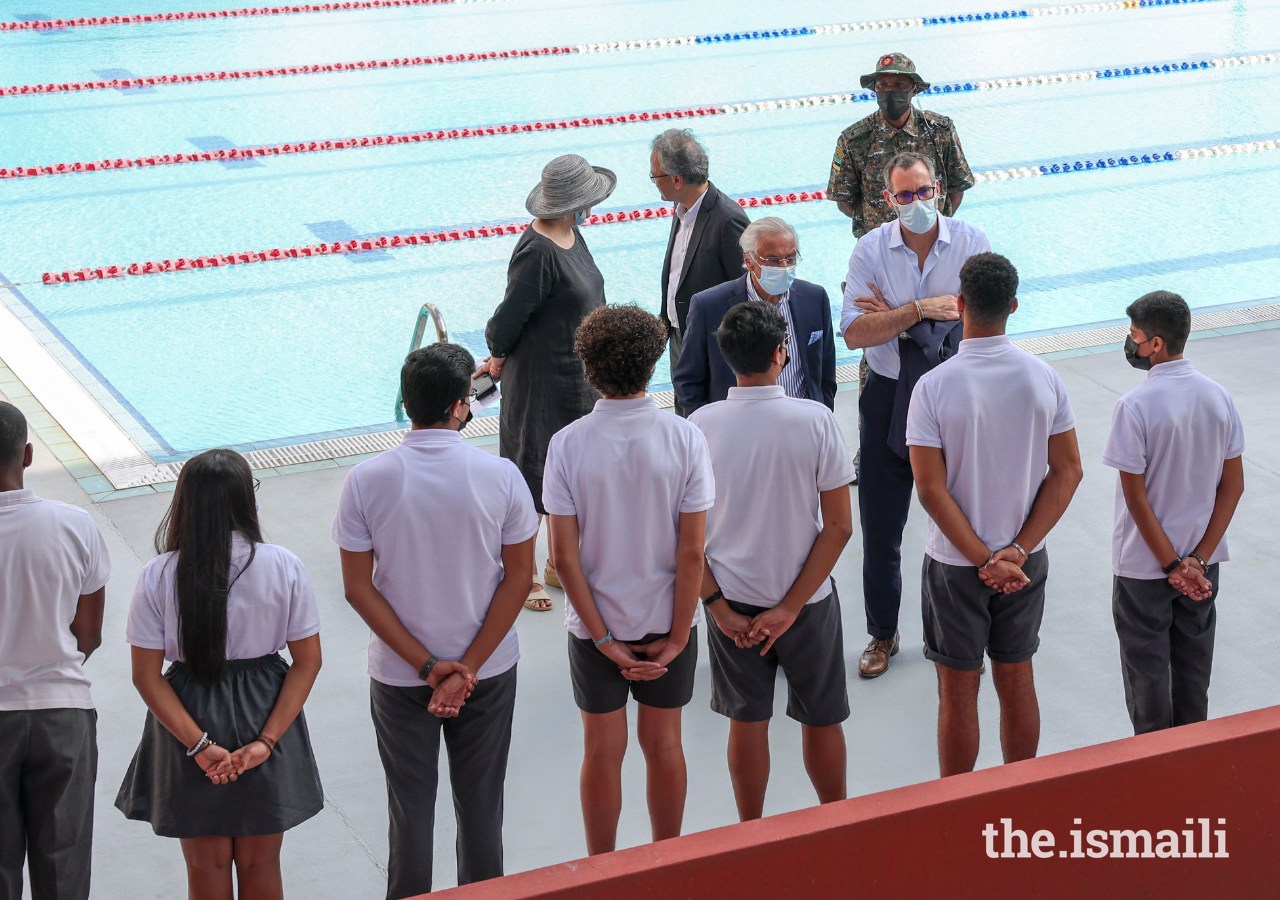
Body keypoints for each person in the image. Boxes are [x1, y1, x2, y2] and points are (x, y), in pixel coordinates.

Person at [334, 343, 537, 899]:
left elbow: (358, 587)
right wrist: (466, 667)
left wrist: (427, 665)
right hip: (488, 673)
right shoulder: (500, 476)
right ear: (459, 406)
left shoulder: (366, 480)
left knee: (410, 813)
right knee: (481, 811)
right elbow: (518, 579)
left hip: (402, 677)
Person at [543, 304, 714, 856]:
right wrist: (680, 635)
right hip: (669, 620)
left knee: (601, 752)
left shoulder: (567, 444)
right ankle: (665, 864)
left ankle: (602, 870)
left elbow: (564, 560)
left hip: (597, 627)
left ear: (589, 368)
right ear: (654, 361)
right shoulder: (684, 438)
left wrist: (603, 641)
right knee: (664, 746)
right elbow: (692, 551)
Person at [116, 448, 324, 900]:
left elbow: (146, 676)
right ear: (247, 501)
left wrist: (199, 744)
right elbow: (307, 660)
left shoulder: (158, 574)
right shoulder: (283, 565)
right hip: (266, 705)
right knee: (261, 862)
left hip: (187, 713)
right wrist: (267, 741)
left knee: (205, 867)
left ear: (184, 503)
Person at [905, 252, 1082, 777]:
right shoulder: (1043, 377)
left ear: (959, 306)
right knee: (1017, 678)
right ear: (1014, 305)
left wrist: (984, 559)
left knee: (958, 692)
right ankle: (1018, 800)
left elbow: (931, 490)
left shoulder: (933, 387)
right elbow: (1068, 471)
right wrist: (1016, 552)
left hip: (956, 565)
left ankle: (958, 814)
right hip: (1025, 562)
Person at [689, 302, 855, 821]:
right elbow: (840, 526)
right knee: (822, 720)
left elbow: (686, 539)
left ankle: (750, 833)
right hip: (807, 601)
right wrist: (789, 608)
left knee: (747, 721)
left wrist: (718, 609)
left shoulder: (699, 427)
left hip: (733, 603)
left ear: (726, 356)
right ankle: (837, 826)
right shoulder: (816, 420)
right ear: (781, 354)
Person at [842, 150, 991, 678]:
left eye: (923, 192)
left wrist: (890, 314)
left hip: (954, 398)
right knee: (881, 528)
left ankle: (963, 627)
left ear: (938, 189)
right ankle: (882, 634)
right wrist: (923, 310)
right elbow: (856, 333)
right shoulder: (870, 249)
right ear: (888, 200)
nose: (916, 202)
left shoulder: (971, 243)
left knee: (961, 517)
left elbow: (985, 320)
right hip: (887, 398)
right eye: (904, 195)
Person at [1103, 291, 1245, 735]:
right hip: (1202, 573)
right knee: (1193, 683)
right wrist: (1196, 562)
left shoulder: (1134, 407)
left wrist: (1170, 564)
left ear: (1156, 344)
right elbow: (1233, 486)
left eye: (1134, 336)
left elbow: (1136, 498)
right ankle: (1192, 779)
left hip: (1144, 572)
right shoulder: (1218, 397)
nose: (1130, 344)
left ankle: (1155, 782)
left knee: (1148, 688)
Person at [479, 153, 615, 610]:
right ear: (572, 202)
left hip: (578, 376)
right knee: (530, 472)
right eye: (589, 200)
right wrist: (496, 355)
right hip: (539, 379)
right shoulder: (537, 250)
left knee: (572, 472)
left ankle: (559, 564)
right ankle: (526, 574)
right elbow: (509, 316)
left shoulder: (573, 234)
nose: (594, 208)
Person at [0, 402, 109, 900]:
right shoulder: (75, 524)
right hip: (62, 714)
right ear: (27, 453)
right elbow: (89, 633)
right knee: (63, 874)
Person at [673, 217, 836, 415]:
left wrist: (822, 415)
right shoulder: (709, 306)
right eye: (773, 260)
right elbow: (688, 380)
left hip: (801, 424)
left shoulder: (815, 299)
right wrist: (708, 429)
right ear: (749, 260)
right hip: (736, 429)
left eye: (790, 258)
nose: (783, 266)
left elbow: (826, 374)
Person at [651, 128, 750, 415]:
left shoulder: (728, 220)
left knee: (710, 417)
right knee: (685, 414)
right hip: (680, 334)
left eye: (655, 176)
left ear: (677, 180)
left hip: (714, 346)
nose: (654, 183)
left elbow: (746, 291)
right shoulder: (682, 208)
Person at [827, 52, 974, 239]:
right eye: (883, 84)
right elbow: (844, 200)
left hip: (933, 240)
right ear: (875, 89)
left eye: (899, 85)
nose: (890, 90)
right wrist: (879, 231)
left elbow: (957, 187)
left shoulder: (940, 131)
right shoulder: (854, 140)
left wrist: (932, 225)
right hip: (880, 246)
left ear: (914, 89)